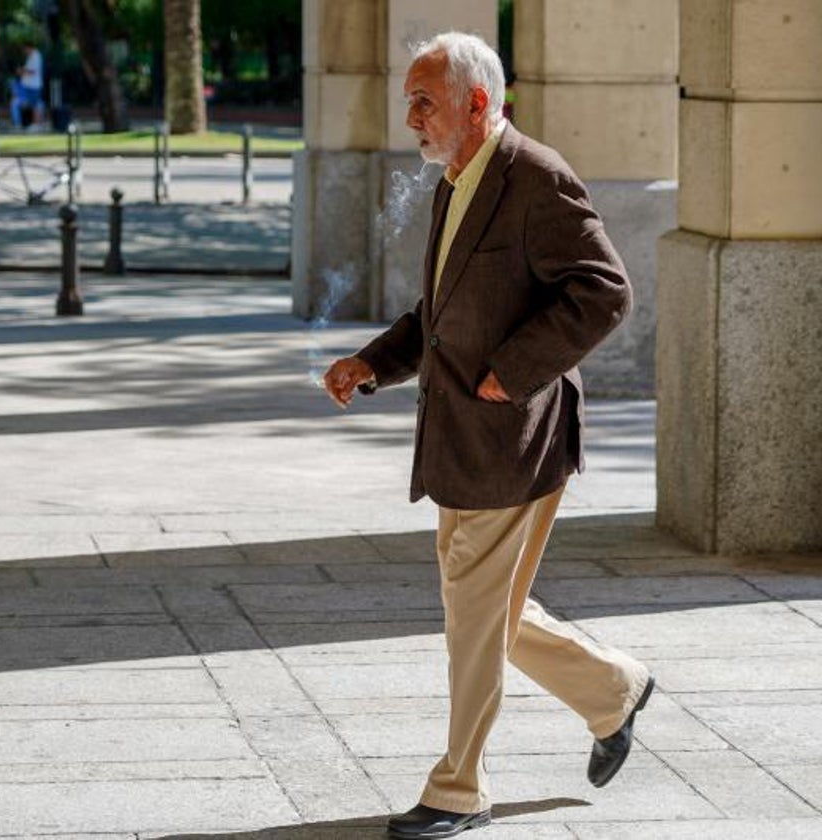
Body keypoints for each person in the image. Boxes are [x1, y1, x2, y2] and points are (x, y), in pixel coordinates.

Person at [323, 31, 653, 840]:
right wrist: (372, 363)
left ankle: (457, 788)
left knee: (472, 617)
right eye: (410, 100)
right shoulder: (457, 178)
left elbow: (606, 291)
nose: (411, 118)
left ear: (477, 103)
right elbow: (439, 316)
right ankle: (615, 689)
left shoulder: (536, 177)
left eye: (424, 101)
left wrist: (515, 370)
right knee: (491, 615)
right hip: (461, 438)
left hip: (515, 437)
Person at [9, 42, 46, 130]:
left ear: (29, 47)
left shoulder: (36, 56)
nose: (24, 52)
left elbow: (32, 71)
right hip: (28, 86)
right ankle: (29, 123)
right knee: (32, 104)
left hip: (33, 86)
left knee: (35, 105)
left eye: (25, 49)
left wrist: (21, 71)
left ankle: (36, 124)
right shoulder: (31, 56)